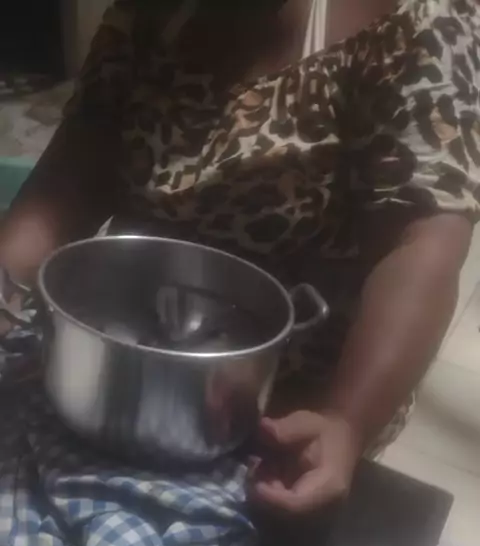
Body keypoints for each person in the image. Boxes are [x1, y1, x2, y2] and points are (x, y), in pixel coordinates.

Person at [0, 0, 477, 515]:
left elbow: (421, 243)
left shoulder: (412, 23)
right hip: (127, 359)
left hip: (287, 409)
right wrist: (5, 285)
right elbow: (76, 166)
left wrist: (345, 422)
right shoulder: (150, 12)